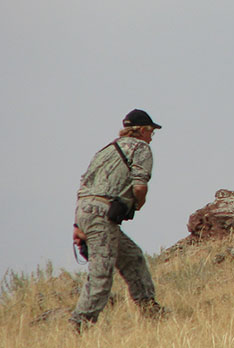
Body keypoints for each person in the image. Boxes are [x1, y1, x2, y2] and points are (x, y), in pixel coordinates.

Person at [69, 109, 164, 332]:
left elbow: (84, 185)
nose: (152, 137)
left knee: (132, 257)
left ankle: (150, 310)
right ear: (141, 131)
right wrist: (137, 203)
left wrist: (77, 225)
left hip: (85, 212)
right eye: (151, 131)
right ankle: (79, 325)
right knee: (101, 274)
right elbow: (140, 186)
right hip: (103, 216)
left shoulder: (105, 151)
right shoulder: (142, 148)